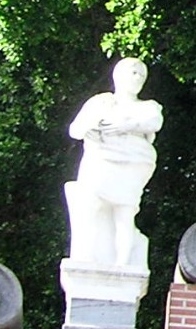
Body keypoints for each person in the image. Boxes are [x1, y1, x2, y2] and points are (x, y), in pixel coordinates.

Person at [64, 58, 162, 273]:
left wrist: (127, 125)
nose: (138, 78)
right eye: (134, 72)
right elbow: (75, 129)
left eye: (142, 75)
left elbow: (154, 122)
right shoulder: (101, 102)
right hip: (100, 159)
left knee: (124, 213)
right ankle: (86, 255)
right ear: (118, 76)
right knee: (90, 204)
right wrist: (89, 129)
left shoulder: (147, 106)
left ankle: (123, 264)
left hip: (133, 162)